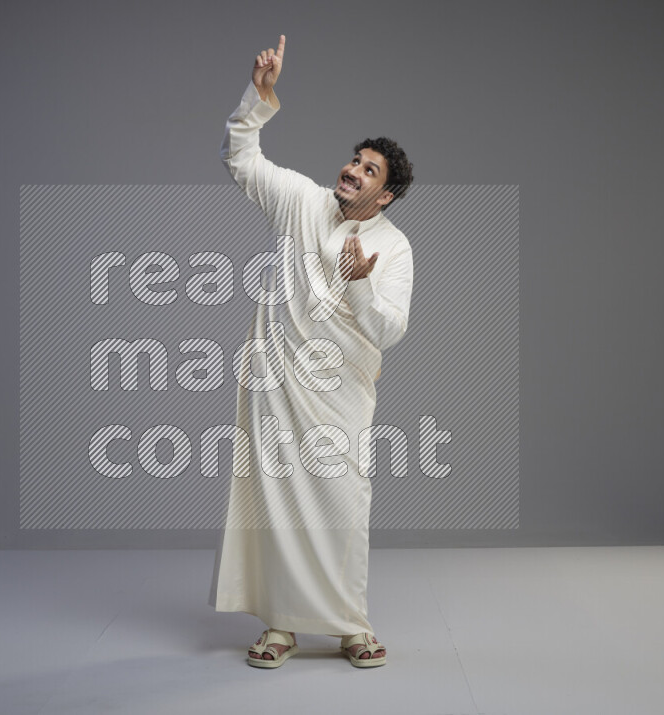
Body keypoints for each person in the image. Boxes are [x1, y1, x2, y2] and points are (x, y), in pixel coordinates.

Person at [208, 34, 414, 669]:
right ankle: (281, 626)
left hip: (338, 394)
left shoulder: (395, 247)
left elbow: (389, 331)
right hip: (275, 382)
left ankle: (351, 624)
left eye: (369, 169)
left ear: (385, 195)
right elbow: (240, 159)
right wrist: (260, 96)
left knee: (341, 501)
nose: (353, 169)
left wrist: (356, 288)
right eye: (354, 159)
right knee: (272, 501)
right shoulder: (301, 199)